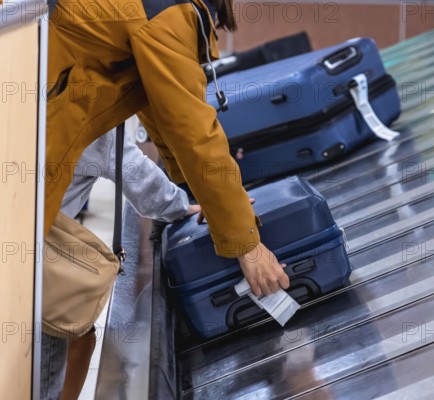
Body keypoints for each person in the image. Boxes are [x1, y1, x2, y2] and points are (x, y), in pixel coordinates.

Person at [45, 0, 289, 297]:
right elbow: (192, 132)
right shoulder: (168, 14)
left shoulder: (150, 11)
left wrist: (197, 204)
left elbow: (156, 112)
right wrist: (247, 246)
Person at [41, 129, 201, 399]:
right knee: (44, 372)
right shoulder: (90, 121)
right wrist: (181, 207)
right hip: (39, 270)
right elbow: (135, 173)